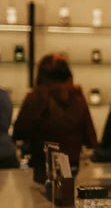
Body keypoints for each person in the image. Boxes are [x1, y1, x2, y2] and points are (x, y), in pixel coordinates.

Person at [13, 55, 98, 185]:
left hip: (42, 167)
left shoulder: (36, 98)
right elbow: (90, 137)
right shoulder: (76, 97)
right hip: (72, 166)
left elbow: (19, 132)